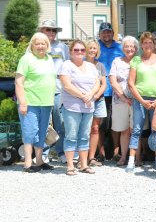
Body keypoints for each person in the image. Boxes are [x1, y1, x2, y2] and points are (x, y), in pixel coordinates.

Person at [127, 32, 156, 173]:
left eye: (150, 42)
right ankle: (131, 161)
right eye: (145, 43)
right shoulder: (136, 60)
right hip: (140, 98)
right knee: (137, 129)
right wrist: (142, 100)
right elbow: (131, 83)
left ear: (153, 44)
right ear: (141, 45)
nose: (148, 45)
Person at [15, 33, 57, 172]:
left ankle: (39, 161)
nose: (40, 46)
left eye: (43, 44)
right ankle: (28, 163)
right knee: (30, 132)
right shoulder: (26, 59)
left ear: (47, 45)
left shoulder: (49, 59)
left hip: (46, 102)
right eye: (37, 43)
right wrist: (22, 102)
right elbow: (19, 82)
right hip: (30, 102)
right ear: (32, 45)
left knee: (42, 132)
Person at [59, 40, 100, 175]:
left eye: (82, 50)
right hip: (72, 106)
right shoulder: (66, 65)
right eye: (76, 50)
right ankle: (70, 166)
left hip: (88, 107)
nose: (79, 52)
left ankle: (83, 165)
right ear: (71, 51)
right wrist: (83, 96)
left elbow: (96, 84)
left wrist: (91, 94)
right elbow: (67, 86)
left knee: (84, 136)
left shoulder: (91, 66)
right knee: (71, 136)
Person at [38, 19, 68, 162]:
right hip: (41, 90)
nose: (51, 33)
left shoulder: (63, 47)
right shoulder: (36, 47)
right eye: (48, 29)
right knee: (43, 123)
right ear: (42, 31)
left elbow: (68, 66)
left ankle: (61, 151)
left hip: (59, 90)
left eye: (54, 30)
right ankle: (44, 153)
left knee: (60, 122)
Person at [109, 36, 138, 167]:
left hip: (137, 100)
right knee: (124, 130)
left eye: (132, 46)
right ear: (123, 48)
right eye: (126, 46)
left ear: (136, 48)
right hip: (120, 101)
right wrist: (124, 98)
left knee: (135, 129)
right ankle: (123, 157)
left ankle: (137, 158)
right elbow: (113, 81)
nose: (129, 49)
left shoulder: (140, 61)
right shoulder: (117, 61)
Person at [97, 22, 124, 160]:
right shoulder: (96, 47)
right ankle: (100, 153)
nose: (106, 35)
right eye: (103, 32)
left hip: (117, 91)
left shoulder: (120, 48)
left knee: (116, 122)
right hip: (100, 91)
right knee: (101, 123)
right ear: (99, 34)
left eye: (109, 32)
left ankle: (116, 152)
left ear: (113, 33)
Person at [84, 40, 107, 167]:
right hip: (84, 101)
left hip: (98, 100)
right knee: (84, 129)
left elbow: (104, 84)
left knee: (95, 128)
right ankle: (82, 157)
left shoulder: (100, 66)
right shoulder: (80, 64)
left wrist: (96, 96)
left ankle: (92, 157)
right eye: (90, 48)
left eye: (94, 48)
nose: (92, 50)